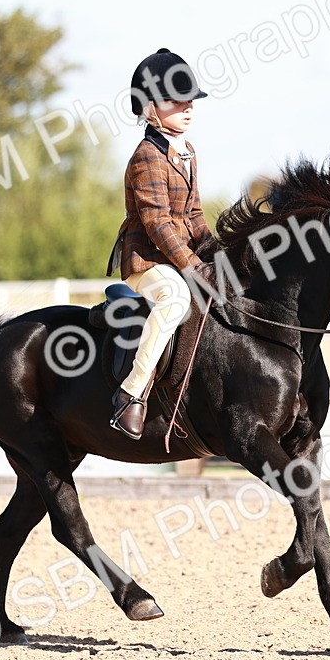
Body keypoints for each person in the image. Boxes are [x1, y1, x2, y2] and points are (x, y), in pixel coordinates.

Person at [104, 48, 212, 439]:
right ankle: (131, 394)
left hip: (175, 258)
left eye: (190, 100)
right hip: (146, 265)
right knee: (177, 298)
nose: (188, 108)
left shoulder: (187, 152)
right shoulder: (146, 156)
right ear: (150, 107)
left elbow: (195, 215)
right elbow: (157, 223)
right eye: (175, 101)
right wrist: (192, 266)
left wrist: (217, 256)